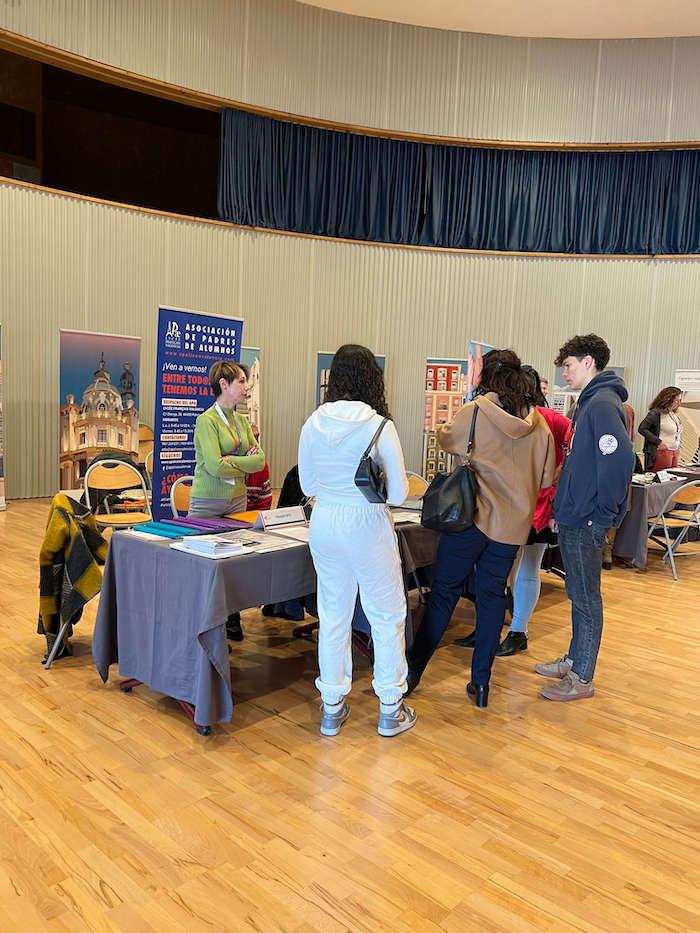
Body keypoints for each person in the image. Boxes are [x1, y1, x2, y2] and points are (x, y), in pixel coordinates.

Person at [406, 349, 556, 708]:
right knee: (491, 601)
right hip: (510, 529)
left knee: (444, 595)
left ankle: (412, 673)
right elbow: (548, 476)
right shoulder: (541, 426)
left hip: (468, 521)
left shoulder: (474, 412)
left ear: (485, 377)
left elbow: (445, 438)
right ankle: (481, 684)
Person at [298, 344, 415, 738]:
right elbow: (398, 493)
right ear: (371, 378)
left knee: (332, 615)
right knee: (385, 614)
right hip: (367, 522)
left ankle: (331, 708)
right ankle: (390, 708)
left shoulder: (313, 423)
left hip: (326, 521)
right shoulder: (379, 425)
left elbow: (307, 484)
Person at [536, 334, 635, 701]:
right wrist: (563, 510)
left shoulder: (602, 405)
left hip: (588, 519)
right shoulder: (590, 404)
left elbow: (619, 462)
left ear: (589, 362)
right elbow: (579, 466)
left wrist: (601, 515)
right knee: (578, 594)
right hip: (576, 515)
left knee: (586, 598)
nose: (564, 373)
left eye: (569, 365)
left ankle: (581, 677)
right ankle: (575, 659)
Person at [496, 366, 570, 657]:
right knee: (512, 568)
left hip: (535, 507)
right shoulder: (507, 419)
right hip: (512, 505)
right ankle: (510, 628)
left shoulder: (553, 420)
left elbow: (570, 457)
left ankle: (518, 629)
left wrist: (554, 487)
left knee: (523, 567)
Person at [190, 360, 265, 641]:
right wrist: (242, 461)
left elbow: (259, 462)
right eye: (242, 381)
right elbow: (213, 466)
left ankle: (231, 620)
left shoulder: (242, 421)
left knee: (233, 562)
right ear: (224, 385)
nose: (247, 387)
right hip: (207, 503)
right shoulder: (206, 421)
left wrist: (231, 460)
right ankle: (205, 627)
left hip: (237, 501)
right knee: (206, 567)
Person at [638, 387, 684, 473]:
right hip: (661, 452)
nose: (679, 403)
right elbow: (642, 429)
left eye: (680, 401)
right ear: (668, 399)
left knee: (672, 481)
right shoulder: (656, 413)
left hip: (674, 452)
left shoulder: (672, 414)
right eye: (676, 401)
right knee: (661, 482)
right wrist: (659, 442)